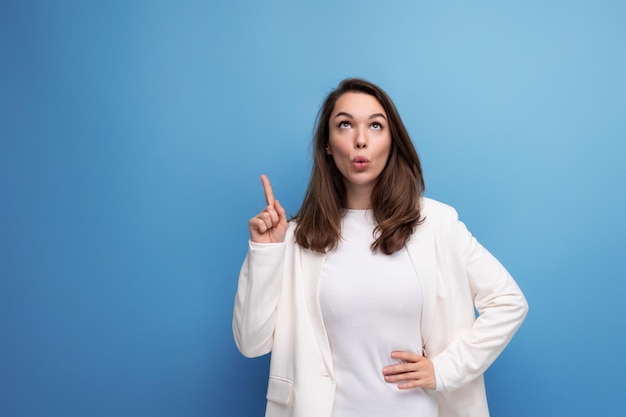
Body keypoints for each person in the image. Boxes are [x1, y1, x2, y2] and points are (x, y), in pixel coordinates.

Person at [232, 78, 528, 417]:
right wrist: (266, 252)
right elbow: (251, 343)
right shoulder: (299, 236)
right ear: (327, 144)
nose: (361, 140)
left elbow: (509, 302)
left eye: (375, 125)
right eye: (345, 125)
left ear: (391, 140)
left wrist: (445, 369)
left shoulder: (436, 223)